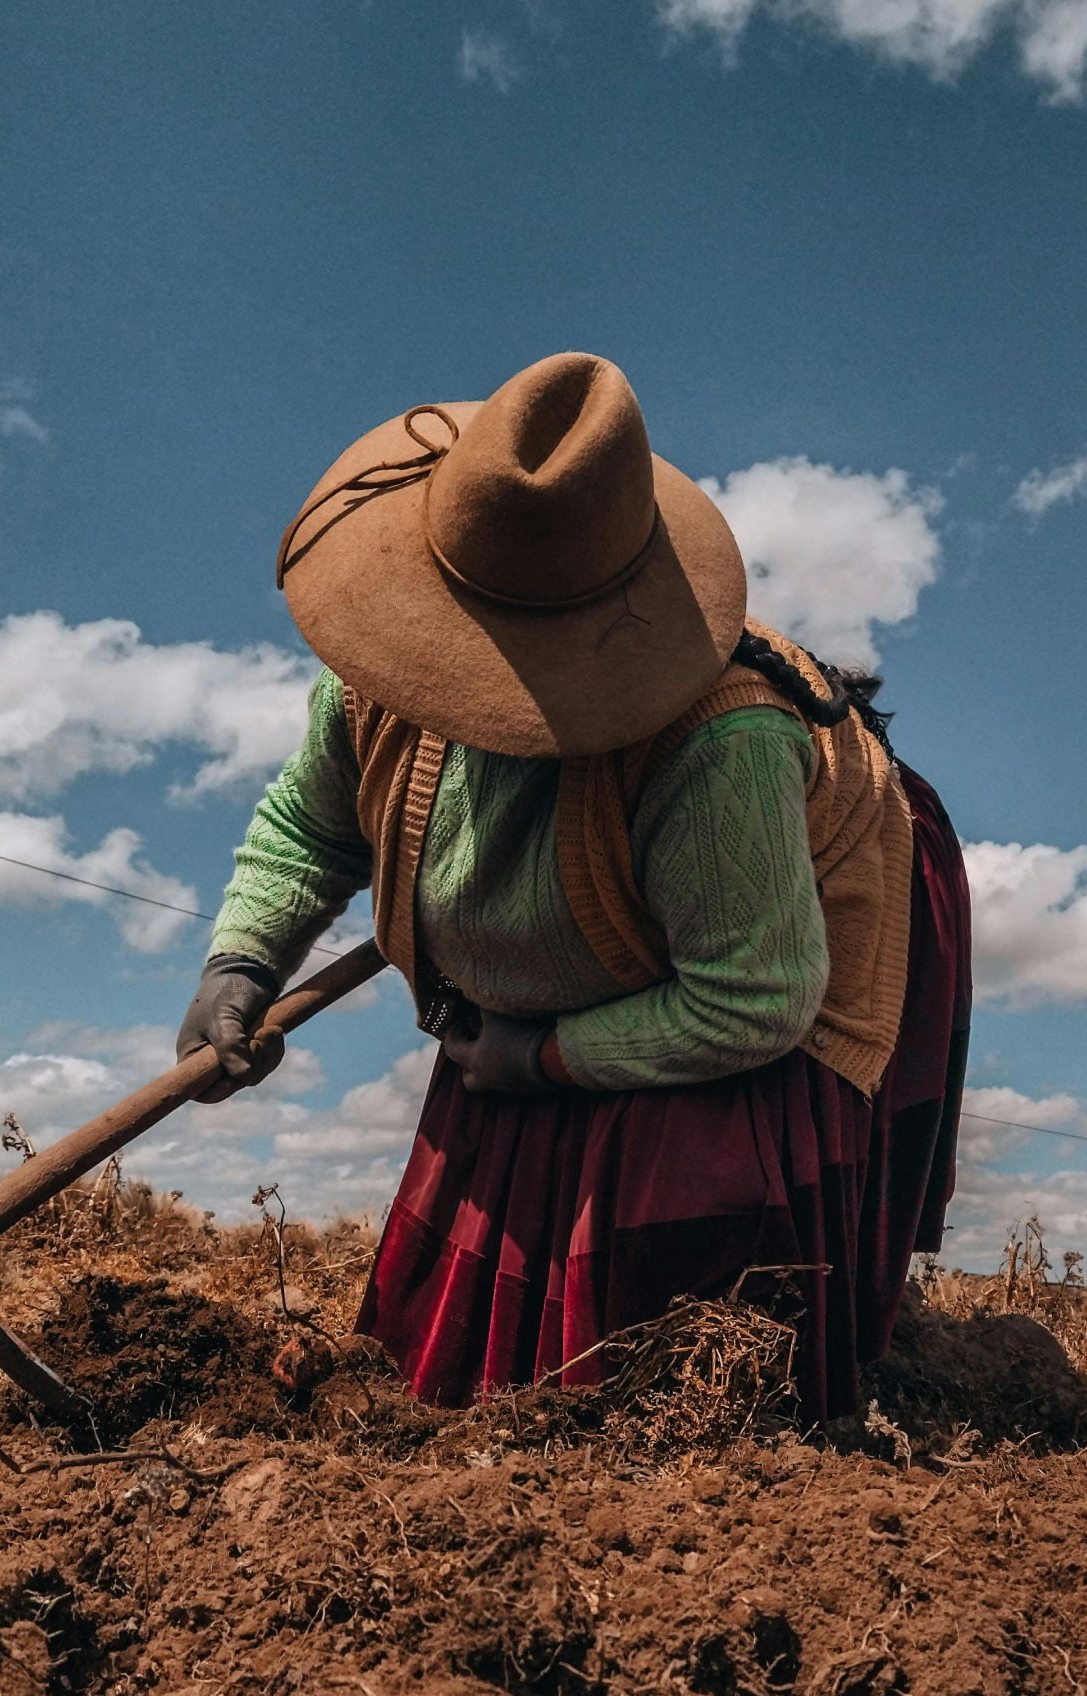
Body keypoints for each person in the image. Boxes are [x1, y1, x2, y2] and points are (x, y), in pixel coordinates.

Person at [177, 352, 969, 1422]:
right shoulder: (380, 669)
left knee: (668, 1313)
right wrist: (240, 962)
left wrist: (541, 1057)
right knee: (436, 1367)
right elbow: (308, 828)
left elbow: (754, 997)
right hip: (538, 994)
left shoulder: (723, 742)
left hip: (752, 983)